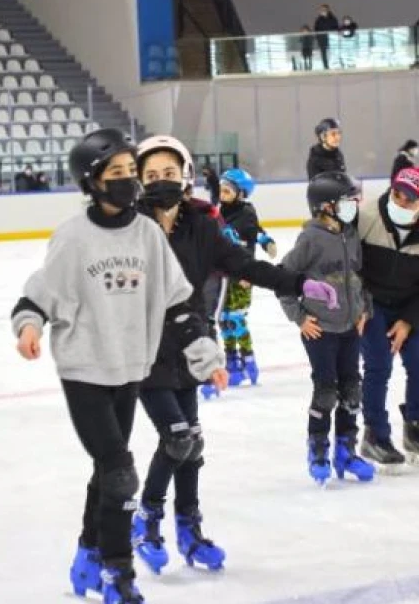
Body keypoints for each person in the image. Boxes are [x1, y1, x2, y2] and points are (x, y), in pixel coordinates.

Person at [10, 128, 223, 604]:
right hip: (85, 371)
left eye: (132, 173)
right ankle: (117, 574)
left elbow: (180, 304)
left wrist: (206, 358)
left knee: (107, 473)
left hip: (131, 370)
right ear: (92, 181)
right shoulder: (73, 238)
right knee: (121, 472)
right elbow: (41, 292)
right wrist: (29, 325)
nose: (129, 182)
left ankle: (88, 551)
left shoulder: (147, 233)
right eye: (117, 174)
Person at [129, 134, 335, 575]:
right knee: (178, 437)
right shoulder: (129, 229)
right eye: (150, 175)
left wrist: (297, 283)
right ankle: (145, 520)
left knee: (192, 443)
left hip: (191, 346)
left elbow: (246, 266)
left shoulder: (202, 225)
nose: (160, 181)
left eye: (168, 173)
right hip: (144, 350)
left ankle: (189, 528)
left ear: (184, 176)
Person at [357, 167, 419, 469]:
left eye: (408, 199)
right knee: (378, 363)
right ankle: (375, 434)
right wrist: (358, 303)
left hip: (408, 306)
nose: (399, 202)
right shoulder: (366, 217)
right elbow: (346, 264)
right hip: (370, 303)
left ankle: (416, 428)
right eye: (396, 194)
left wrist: (411, 319)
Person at [279, 170, 374, 485]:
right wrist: (300, 317)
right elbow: (284, 279)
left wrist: (363, 309)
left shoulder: (350, 234)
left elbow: (360, 277)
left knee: (352, 390)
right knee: (326, 391)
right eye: (347, 200)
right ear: (325, 206)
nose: (353, 205)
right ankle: (318, 448)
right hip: (320, 329)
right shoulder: (310, 239)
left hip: (350, 326)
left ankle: (345, 450)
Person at [218, 167, 279, 386]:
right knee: (223, 319)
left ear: (240, 193)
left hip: (243, 273)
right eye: (221, 190)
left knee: (236, 319)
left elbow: (256, 232)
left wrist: (267, 242)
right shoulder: (220, 212)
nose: (221, 195)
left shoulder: (246, 213)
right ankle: (231, 360)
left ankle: (248, 359)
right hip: (224, 273)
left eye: (227, 191)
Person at [313, 4, 338, 69]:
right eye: (322, 9)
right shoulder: (318, 19)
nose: (323, 10)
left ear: (328, 9)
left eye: (324, 9)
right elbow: (316, 29)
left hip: (332, 38)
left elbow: (336, 27)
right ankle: (326, 66)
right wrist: (318, 38)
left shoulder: (332, 18)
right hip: (322, 39)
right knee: (323, 53)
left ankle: (335, 65)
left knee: (333, 52)